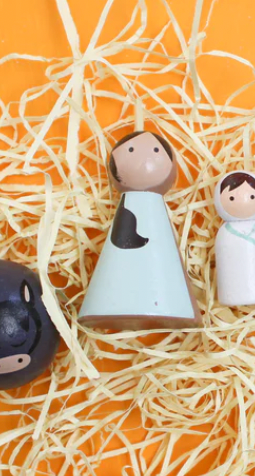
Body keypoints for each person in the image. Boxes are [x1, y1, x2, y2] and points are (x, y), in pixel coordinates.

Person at [78, 131, 200, 330]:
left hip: (170, 306)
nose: (143, 159)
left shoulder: (152, 210)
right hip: (125, 292)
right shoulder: (134, 206)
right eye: (131, 150)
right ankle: (115, 303)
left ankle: (161, 305)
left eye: (155, 151)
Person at [214, 171, 255, 307]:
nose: (243, 200)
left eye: (252, 196)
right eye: (231, 198)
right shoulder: (225, 232)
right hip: (230, 292)